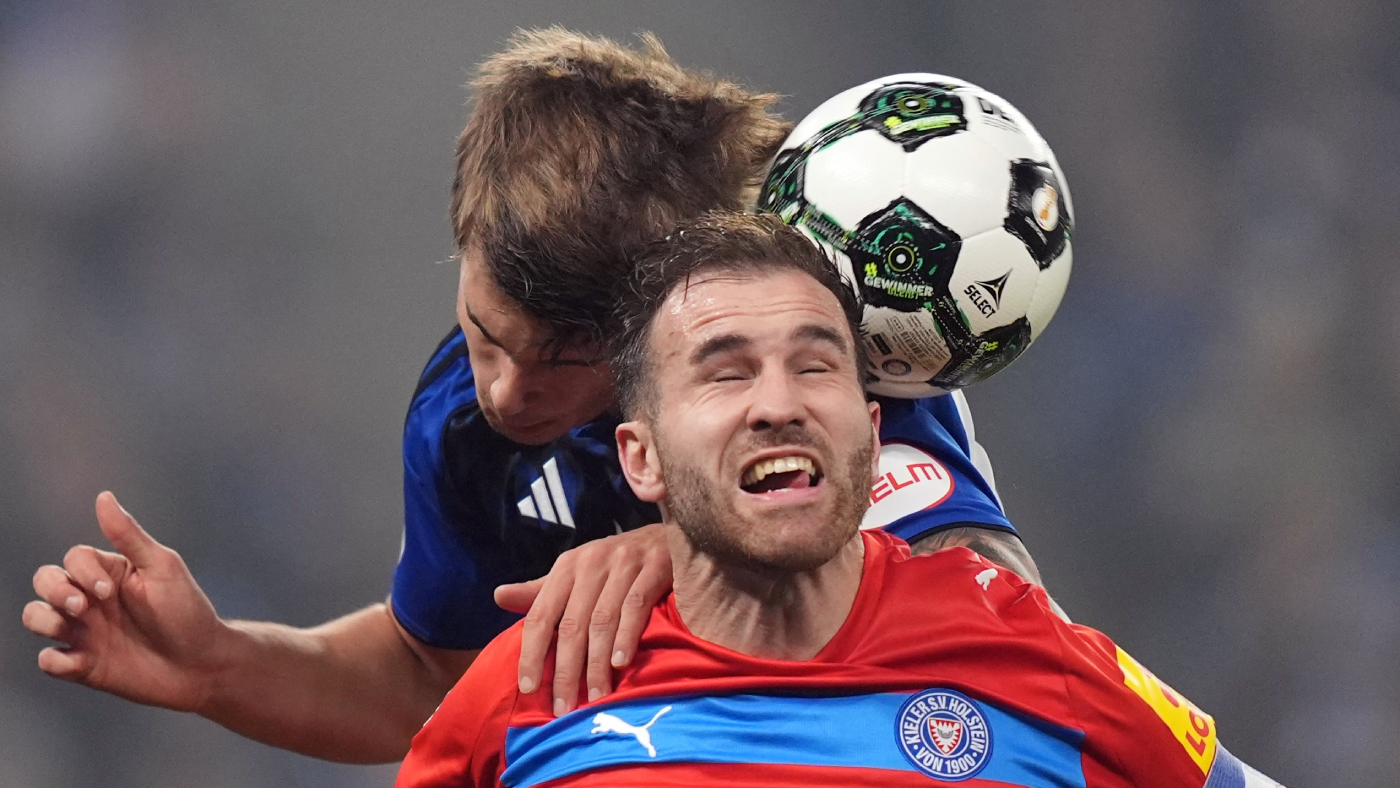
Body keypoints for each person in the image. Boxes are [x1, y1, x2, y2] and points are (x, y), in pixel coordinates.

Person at [22, 29, 1036, 762]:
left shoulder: (816, 369)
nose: (508, 390)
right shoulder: (462, 423)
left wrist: (704, 549)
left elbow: (996, 608)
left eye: (561, 360)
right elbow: (428, 678)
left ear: (657, 319)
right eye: (485, 333)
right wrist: (218, 665)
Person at [396, 213, 1281, 788]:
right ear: (642, 457)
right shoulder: (534, 688)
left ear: (868, 428)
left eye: (816, 365)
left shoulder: (1029, 649)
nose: (778, 404)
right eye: (726, 372)